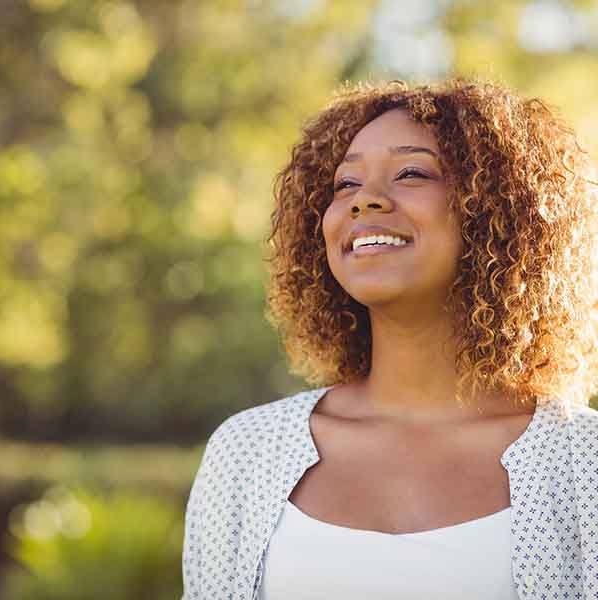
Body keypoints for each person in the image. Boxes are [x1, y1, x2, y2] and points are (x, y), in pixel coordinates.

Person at [181, 77, 598, 599]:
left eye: (411, 173)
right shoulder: (246, 452)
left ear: (495, 210)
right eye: (345, 184)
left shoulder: (584, 460)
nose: (366, 201)